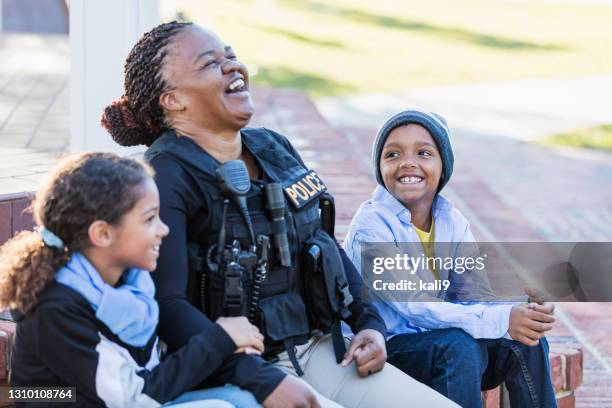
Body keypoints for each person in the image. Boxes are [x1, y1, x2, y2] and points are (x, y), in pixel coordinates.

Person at [101, 21, 456, 408]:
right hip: (234, 370)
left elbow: (322, 244)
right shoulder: (164, 177)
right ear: (173, 100)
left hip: (321, 350)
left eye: (231, 56)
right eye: (210, 64)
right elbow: (167, 305)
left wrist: (369, 324)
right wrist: (260, 379)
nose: (232, 67)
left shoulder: (273, 147)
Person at [0, 152, 264, 407]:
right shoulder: (56, 306)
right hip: (121, 400)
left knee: (243, 400)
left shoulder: (131, 281)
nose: (165, 229)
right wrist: (218, 340)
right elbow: (132, 398)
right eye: (149, 219)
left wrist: (229, 347)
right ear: (103, 233)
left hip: (126, 397)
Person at [343, 109, 558, 407]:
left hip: (440, 345)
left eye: (423, 152)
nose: (408, 162)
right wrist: (501, 319)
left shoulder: (450, 220)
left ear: (443, 167)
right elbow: (415, 306)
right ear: (380, 168)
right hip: (385, 348)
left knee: (525, 340)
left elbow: (473, 293)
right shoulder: (371, 228)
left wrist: (521, 311)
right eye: (392, 155)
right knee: (458, 346)